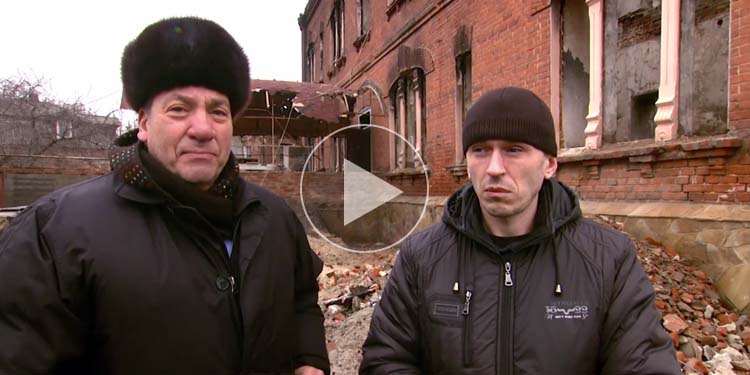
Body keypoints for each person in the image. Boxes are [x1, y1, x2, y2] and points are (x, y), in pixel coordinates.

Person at [0, 17, 329, 375]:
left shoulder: (275, 217)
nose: (203, 129)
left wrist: (309, 358)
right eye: (179, 109)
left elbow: (301, 300)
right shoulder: (54, 233)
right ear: (143, 123)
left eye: (218, 111)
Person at [359, 87, 680, 374]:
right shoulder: (422, 257)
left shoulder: (607, 260)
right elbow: (386, 359)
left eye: (514, 150)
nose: (495, 168)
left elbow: (645, 364)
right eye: (480, 150)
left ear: (550, 164)